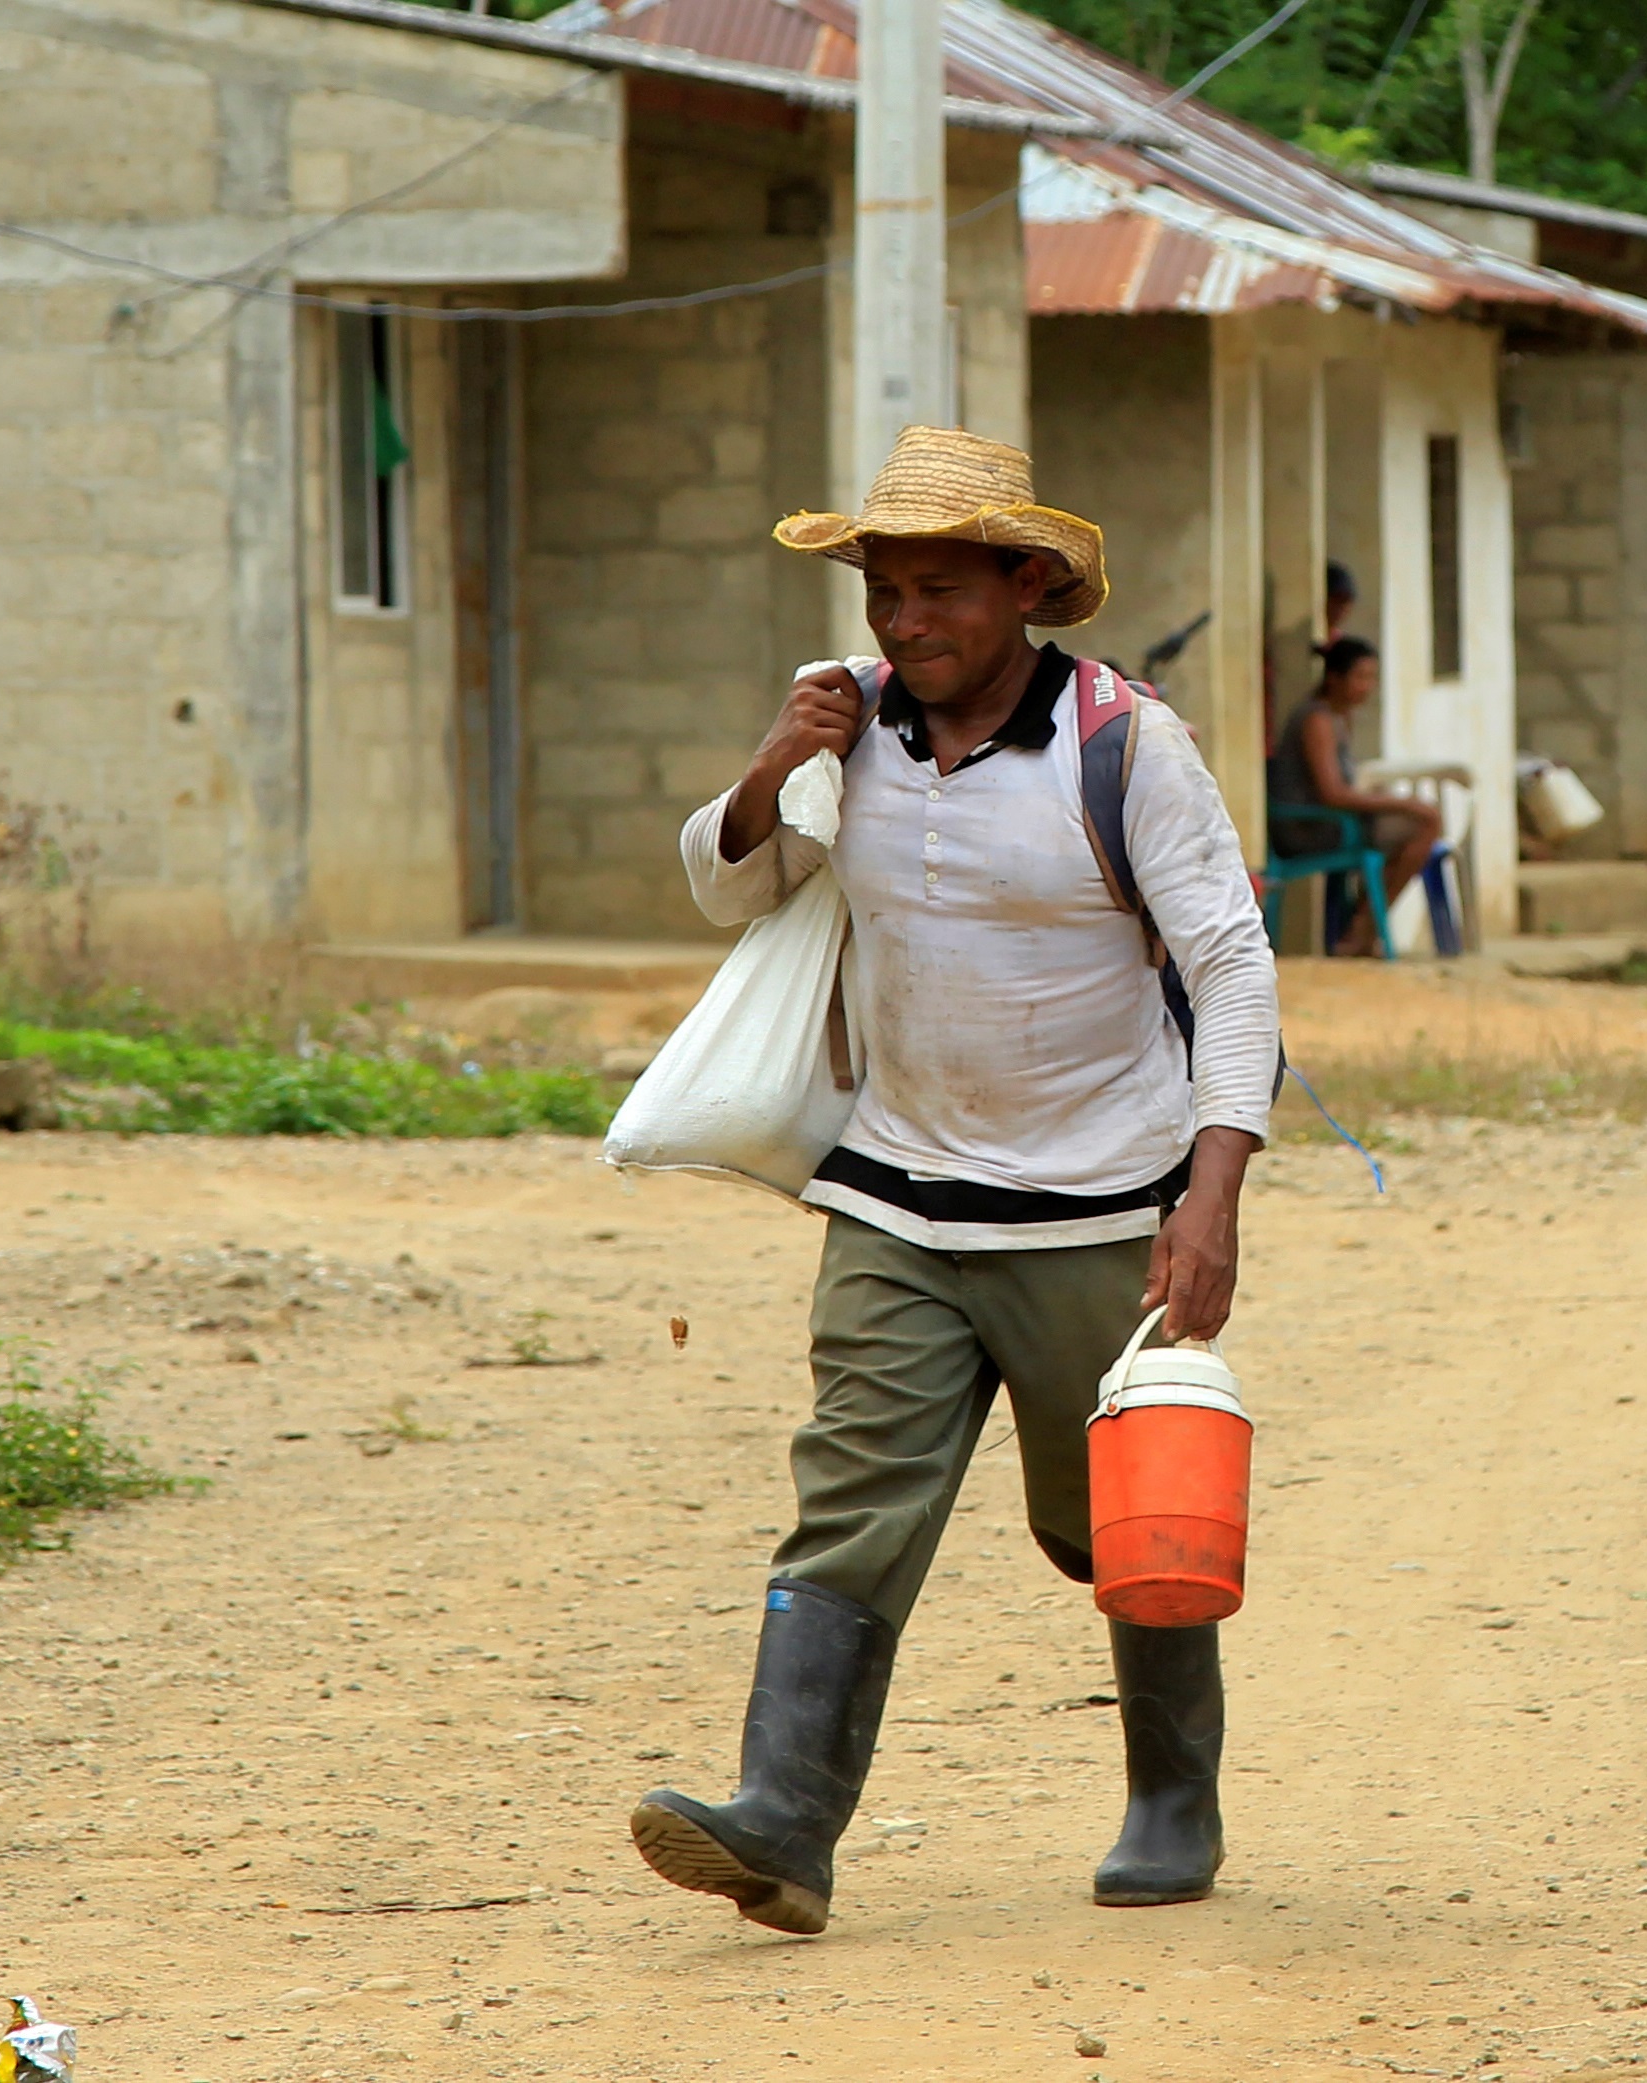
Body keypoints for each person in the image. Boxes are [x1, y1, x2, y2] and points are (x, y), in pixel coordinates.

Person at [628, 427, 1280, 1936]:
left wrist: (1211, 1193)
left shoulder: (1124, 746)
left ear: (1025, 588)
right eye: (884, 594)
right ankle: (782, 1823)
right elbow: (727, 885)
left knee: (1119, 1521)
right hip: (894, 1198)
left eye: (939, 592)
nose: (906, 623)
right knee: (846, 1499)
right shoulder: (845, 729)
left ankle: (1172, 1796)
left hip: (1096, 1215)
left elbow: (1230, 968)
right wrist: (777, 761)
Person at [1265, 635, 1439, 957]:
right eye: (1360, 677)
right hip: (1308, 828)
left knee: (1418, 824)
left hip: (1333, 821)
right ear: (1334, 678)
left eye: (1372, 678)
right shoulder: (1316, 719)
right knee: (1426, 821)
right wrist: (1402, 803)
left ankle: (1362, 926)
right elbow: (1332, 794)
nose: (1367, 687)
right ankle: (1361, 930)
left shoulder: (1339, 717)